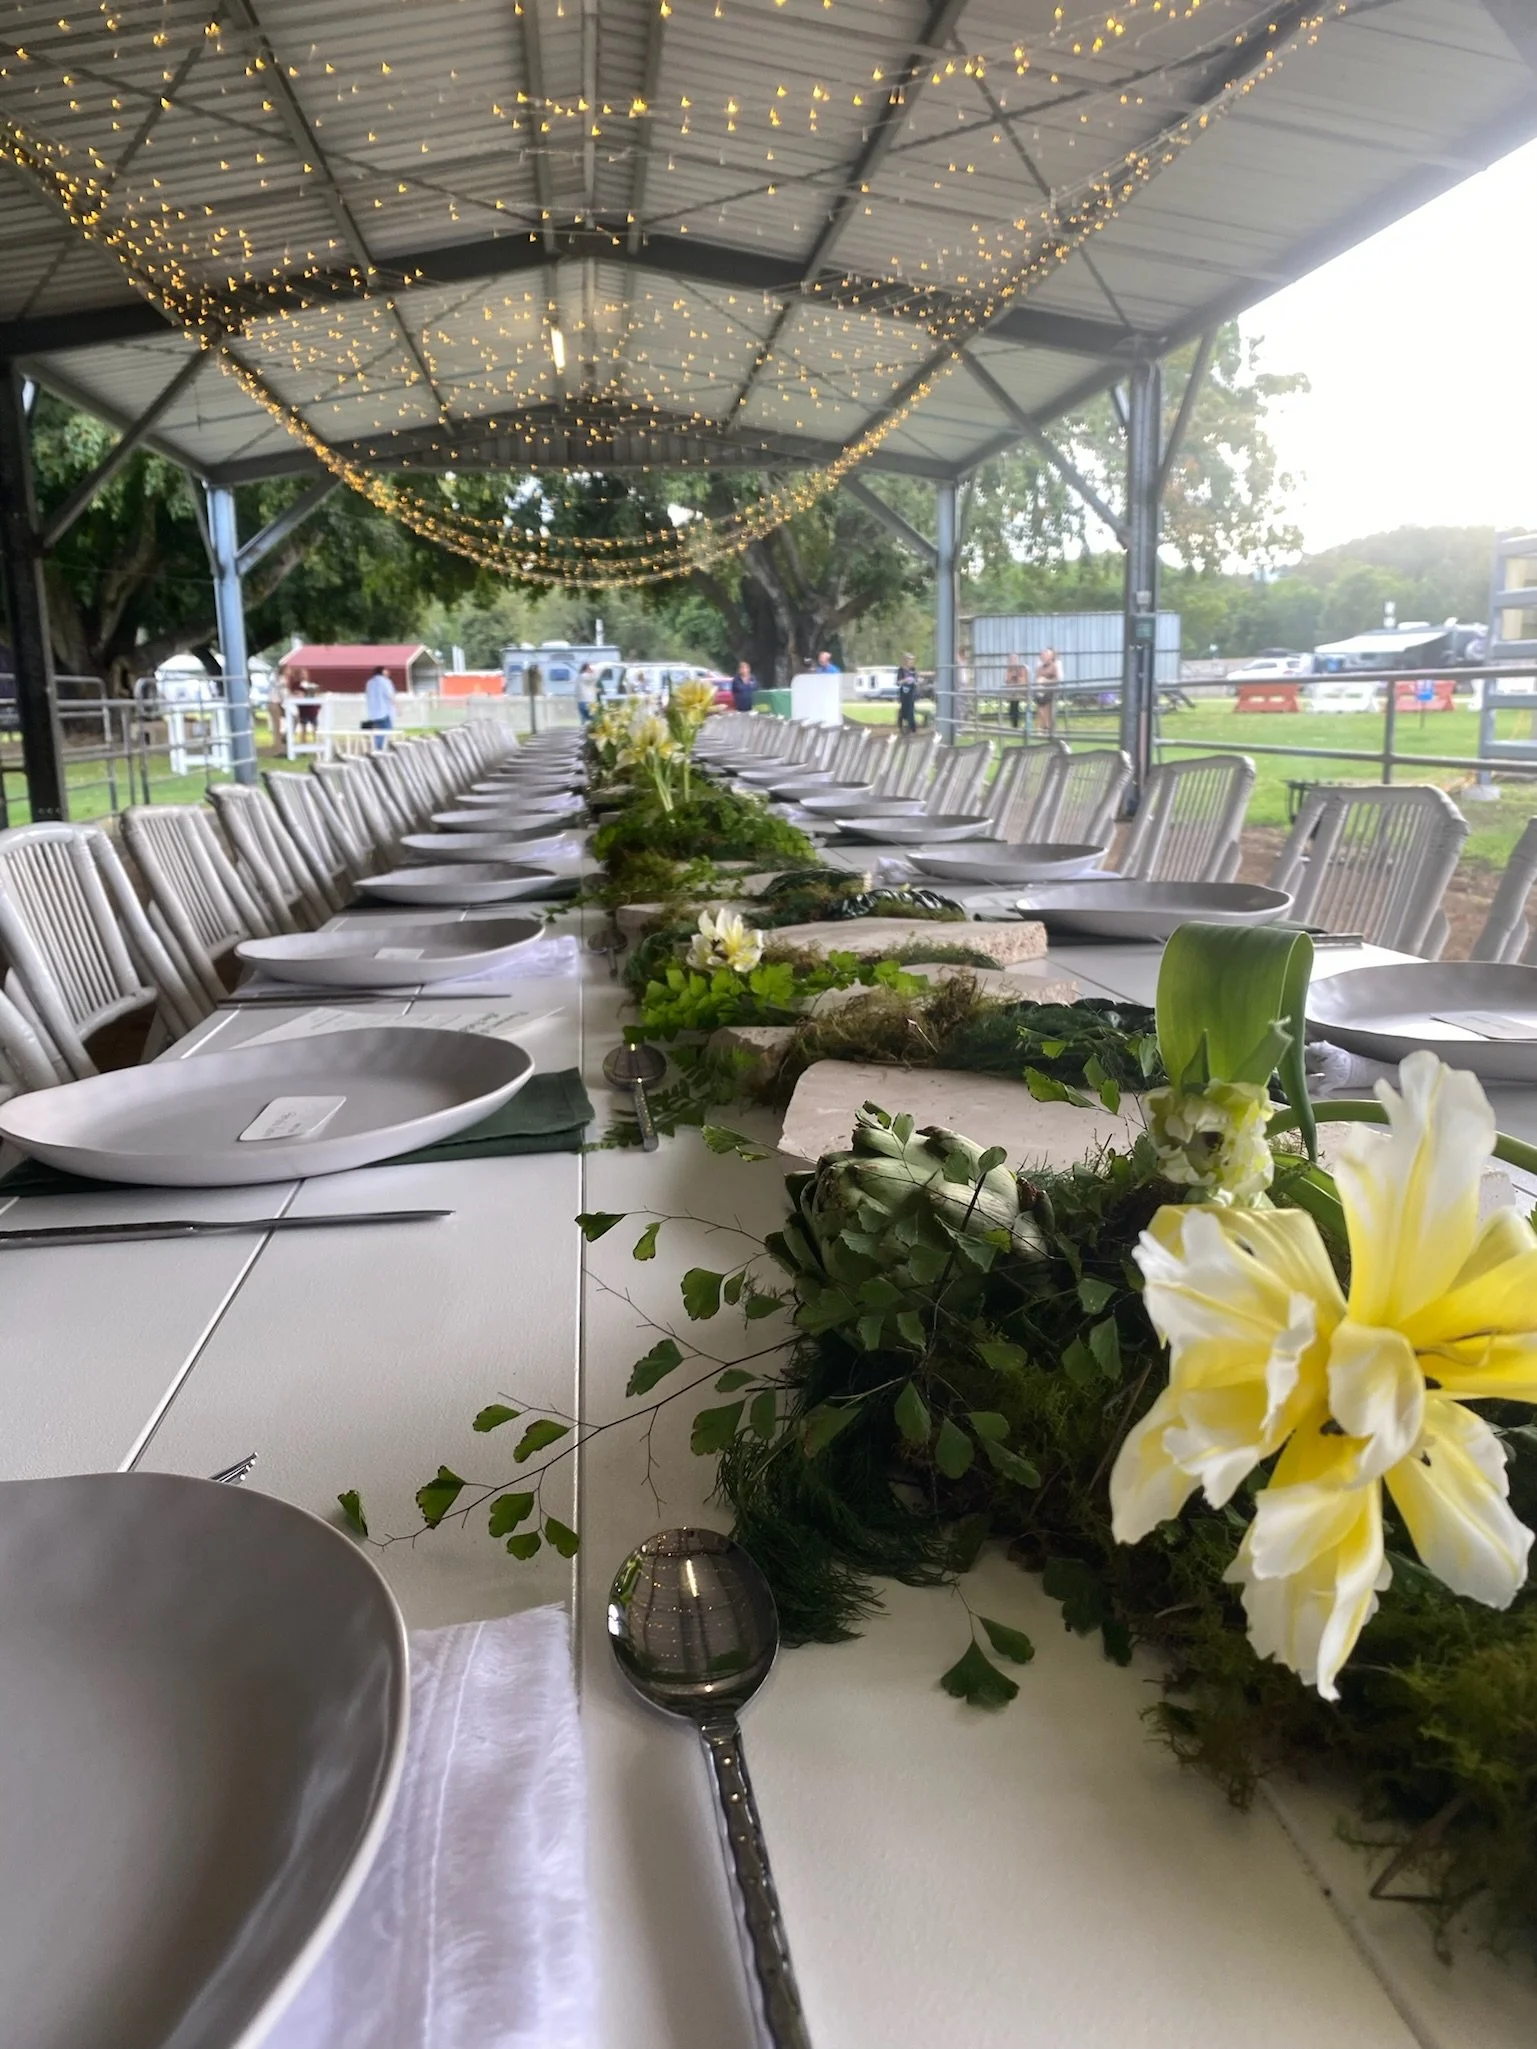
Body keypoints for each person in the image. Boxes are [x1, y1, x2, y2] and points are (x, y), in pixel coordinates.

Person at [361, 663, 396, 750]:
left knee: (378, 731)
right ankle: (380, 749)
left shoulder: (370, 682)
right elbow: (390, 695)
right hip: (384, 711)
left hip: (373, 712)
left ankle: (377, 747)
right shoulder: (386, 682)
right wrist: (397, 707)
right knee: (386, 730)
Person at [1034, 645, 1062, 734]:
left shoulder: (1055, 666)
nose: (1043, 656)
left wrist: (1046, 680)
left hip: (1052, 689)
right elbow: (1037, 680)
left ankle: (1048, 727)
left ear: (1051, 657)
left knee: (1047, 704)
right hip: (1042, 691)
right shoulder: (1039, 668)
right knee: (1039, 703)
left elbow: (1057, 680)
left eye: (1046, 654)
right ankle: (1045, 726)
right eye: (1043, 654)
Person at [1004, 651, 1030, 730]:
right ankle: (1014, 724)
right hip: (1012, 692)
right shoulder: (1009, 669)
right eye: (1011, 659)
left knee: (1015, 704)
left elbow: (1023, 681)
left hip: (1020, 691)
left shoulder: (1021, 668)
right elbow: (1006, 680)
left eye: (1014, 658)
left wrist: (1015, 679)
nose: (1013, 660)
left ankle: (1016, 724)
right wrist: (1012, 679)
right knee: (1012, 708)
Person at [895, 652, 919, 734]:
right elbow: (898, 682)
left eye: (912, 661)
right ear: (906, 661)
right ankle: (901, 725)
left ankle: (912, 728)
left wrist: (915, 681)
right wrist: (905, 680)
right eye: (910, 661)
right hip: (904, 693)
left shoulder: (913, 670)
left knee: (911, 710)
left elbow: (916, 680)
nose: (912, 663)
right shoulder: (901, 670)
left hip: (911, 692)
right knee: (904, 710)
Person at [576, 662, 598, 726]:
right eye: (589, 669)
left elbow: (590, 685)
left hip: (580, 702)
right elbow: (594, 677)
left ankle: (583, 734)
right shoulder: (585, 675)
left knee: (584, 722)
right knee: (594, 721)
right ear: (586, 669)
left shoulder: (579, 677)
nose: (590, 670)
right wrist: (594, 671)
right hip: (588, 702)